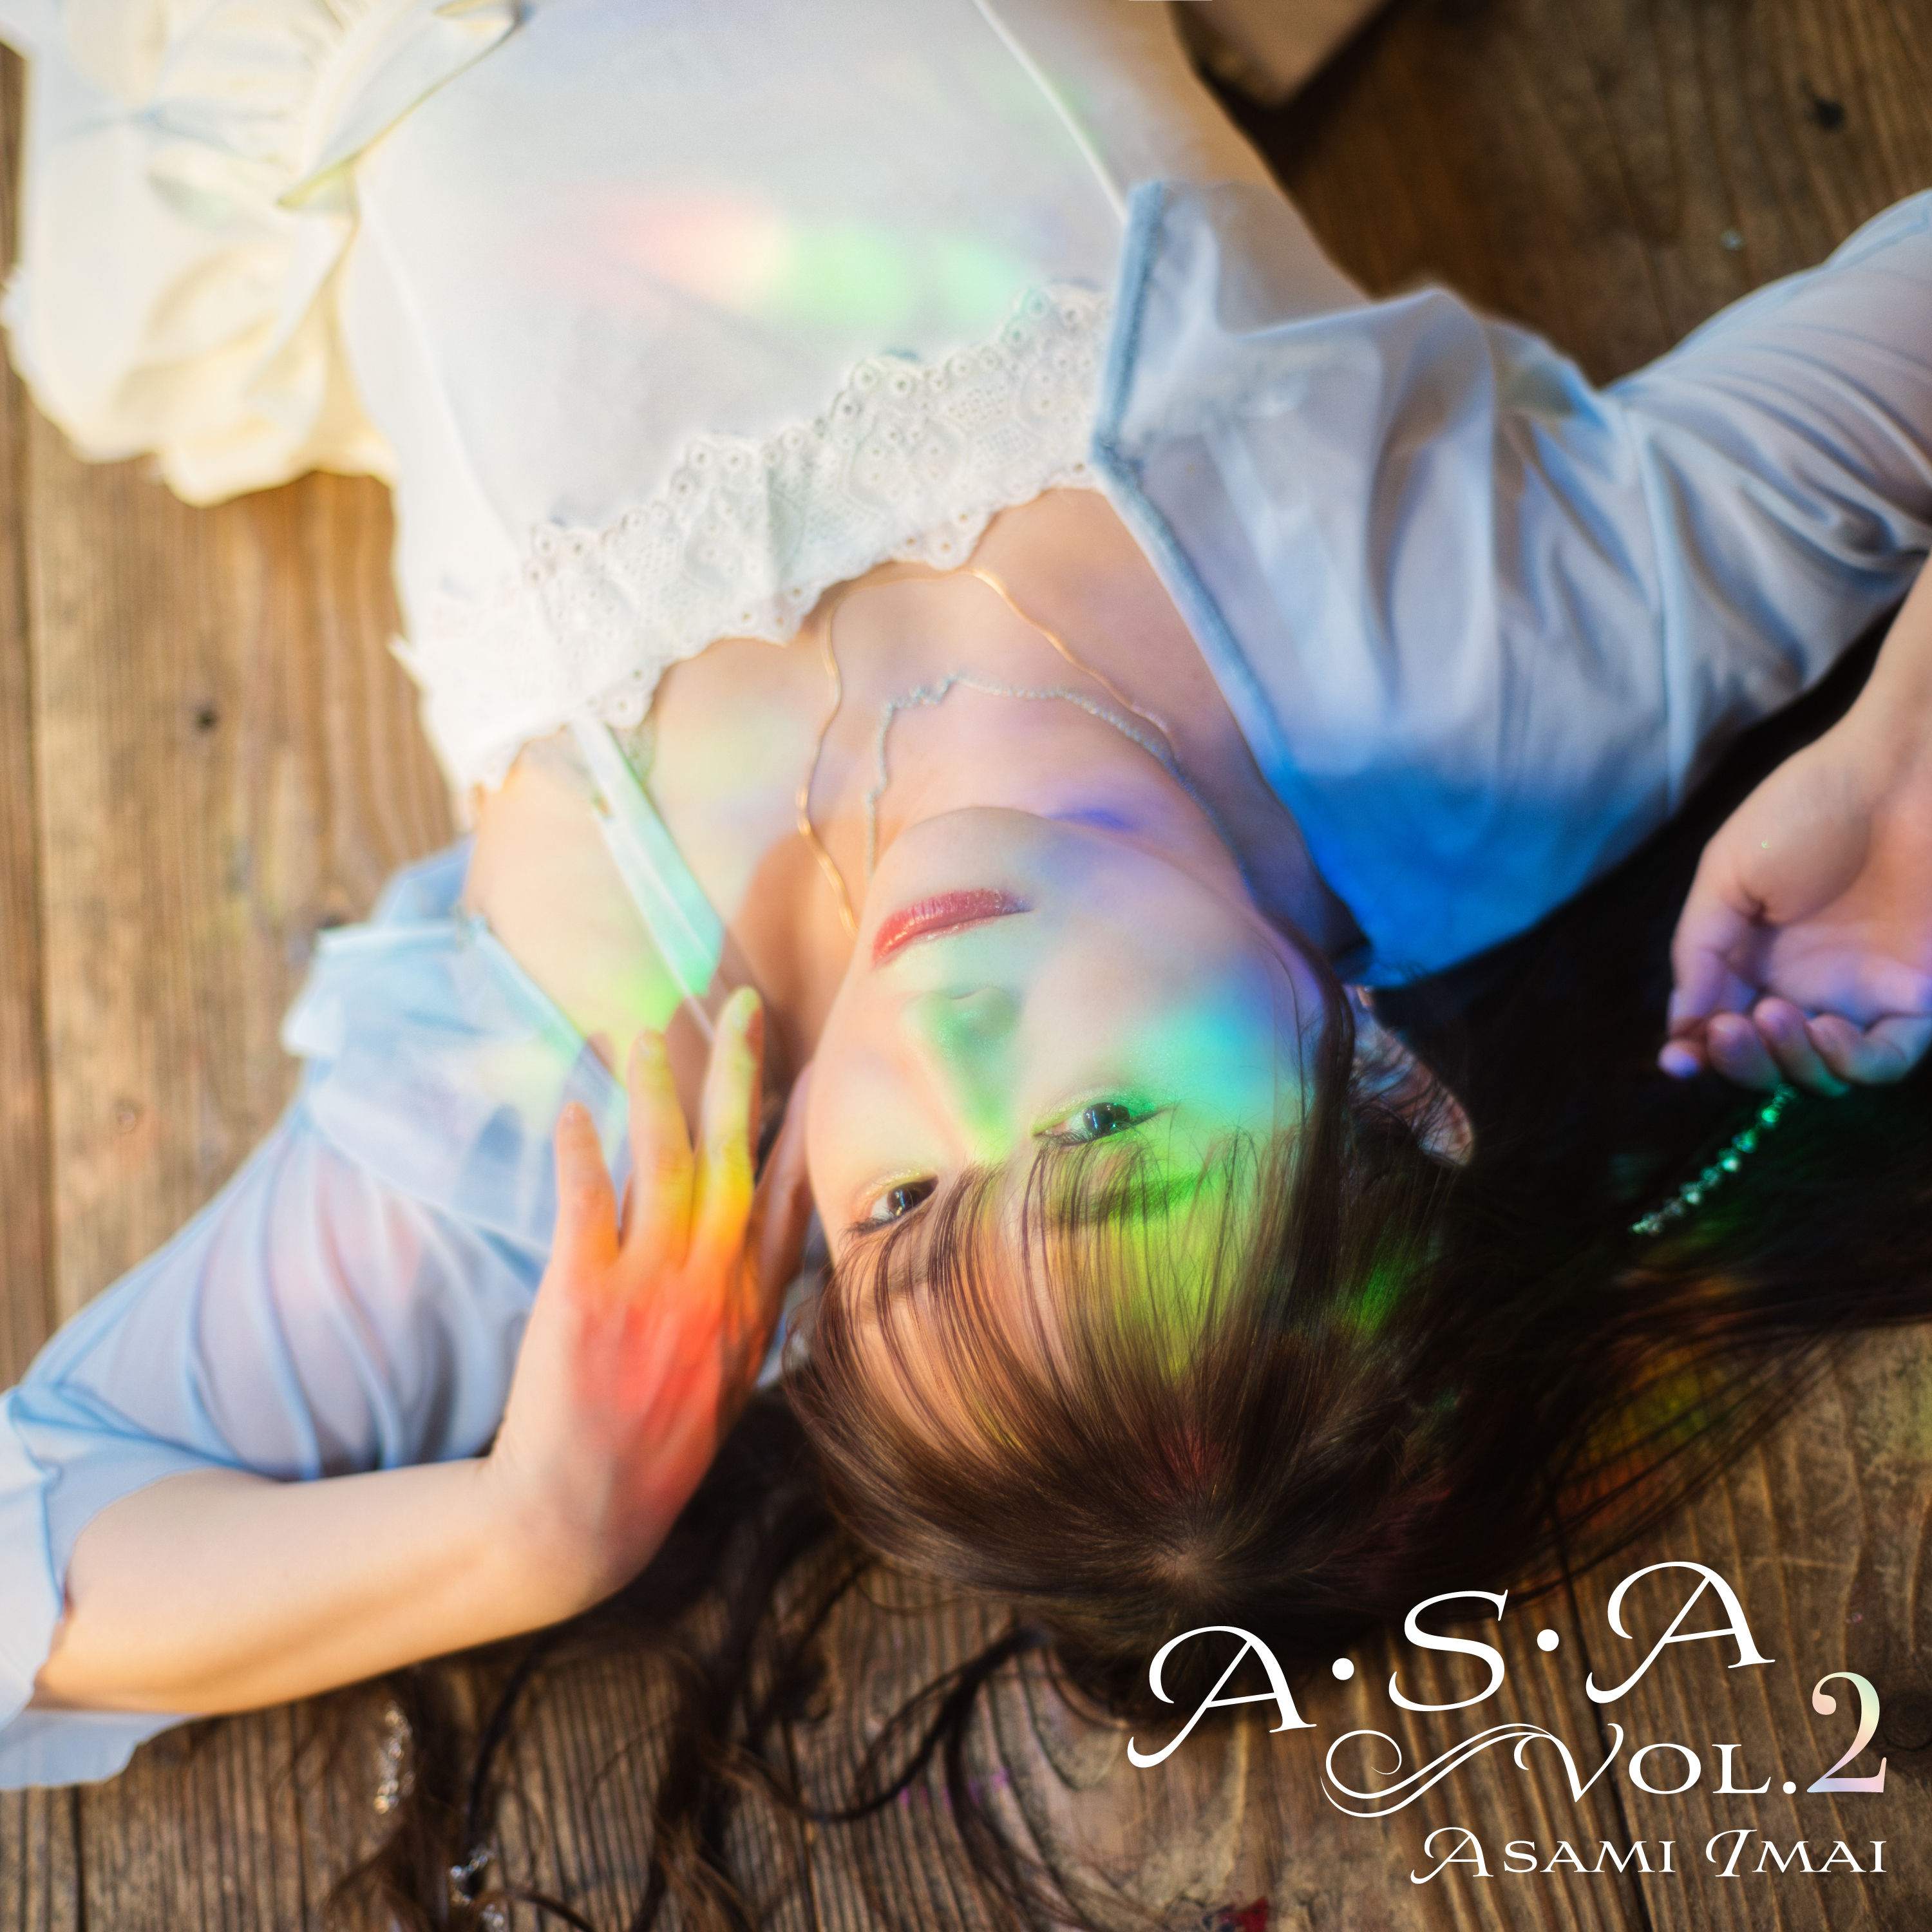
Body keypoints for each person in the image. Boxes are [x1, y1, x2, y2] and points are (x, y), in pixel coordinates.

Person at [0, 0, 1928, 1799]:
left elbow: (43, 1531)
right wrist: (1904, 758)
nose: (944, 1042)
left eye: (904, 1206)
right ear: (1381, 1090)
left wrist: (535, 1530)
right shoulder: (1476, 704)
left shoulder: (612, 1104)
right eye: (1102, 1128)